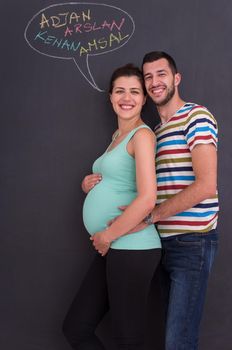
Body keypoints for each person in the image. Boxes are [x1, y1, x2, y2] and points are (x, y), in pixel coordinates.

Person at [84, 52, 219, 350]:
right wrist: (94, 183)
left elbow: (207, 185)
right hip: (163, 239)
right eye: (149, 77)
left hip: (192, 241)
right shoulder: (157, 130)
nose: (155, 82)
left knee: (178, 340)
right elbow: (133, 180)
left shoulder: (196, 117)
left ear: (176, 78)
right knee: (162, 334)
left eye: (162, 74)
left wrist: (150, 215)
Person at [63, 64, 161, 350]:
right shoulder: (117, 137)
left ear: (144, 99)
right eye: (120, 91)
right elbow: (118, 179)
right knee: (76, 328)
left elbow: (147, 198)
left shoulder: (142, 136)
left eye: (134, 91)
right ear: (110, 97)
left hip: (132, 245)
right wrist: (88, 185)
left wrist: (107, 235)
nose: (126, 97)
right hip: (115, 246)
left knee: (127, 339)